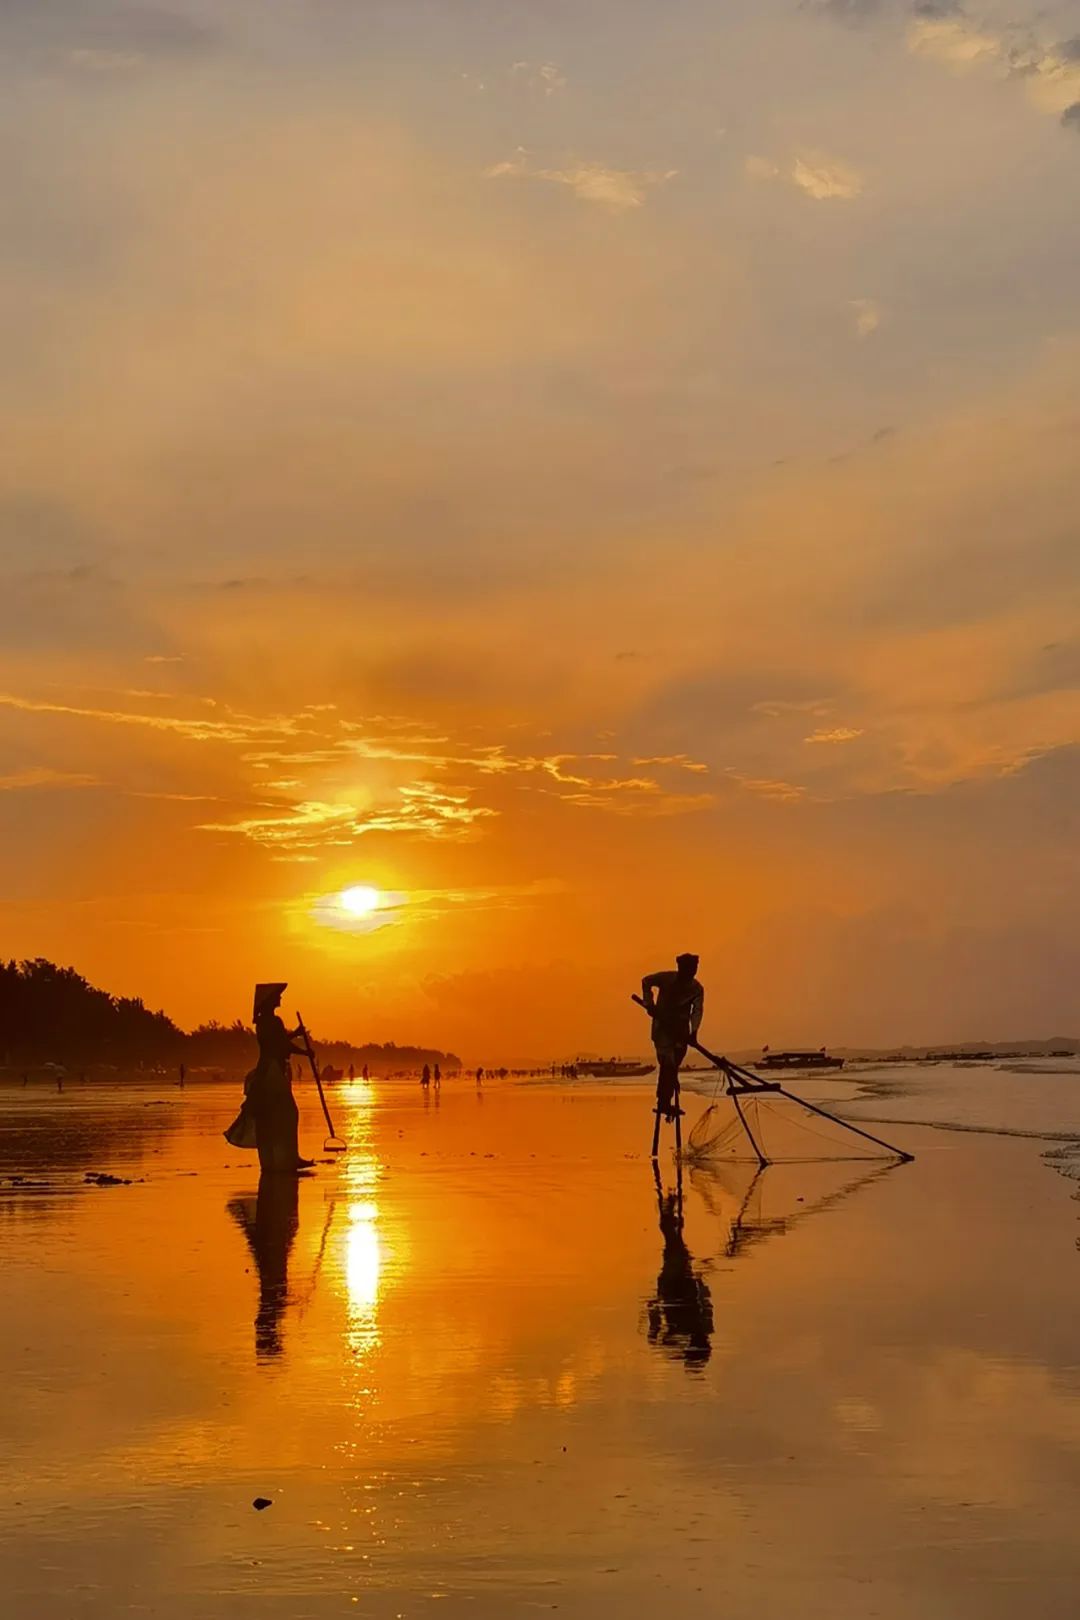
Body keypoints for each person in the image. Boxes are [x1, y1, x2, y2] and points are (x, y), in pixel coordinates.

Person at [224, 983, 313, 1173]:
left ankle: (279, 1159)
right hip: (272, 1071)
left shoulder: (265, 1023)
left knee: (273, 1117)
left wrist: (295, 1035)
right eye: (277, 996)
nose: (280, 999)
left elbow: (279, 1041)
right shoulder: (272, 1022)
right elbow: (281, 1046)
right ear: (269, 1000)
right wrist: (305, 1053)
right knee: (287, 1114)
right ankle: (287, 1159)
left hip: (269, 1070)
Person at [641, 953, 704, 1123]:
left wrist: (693, 1032)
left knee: (673, 1066)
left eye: (694, 968)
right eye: (688, 968)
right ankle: (663, 1102)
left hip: (681, 1033)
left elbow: (697, 1012)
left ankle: (665, 1100)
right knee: (667, 1065)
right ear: (680, 968)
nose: (691, 972)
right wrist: (649, 1004)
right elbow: (646, 981)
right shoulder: (666, 979)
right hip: (662, 1030)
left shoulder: (697, 988)